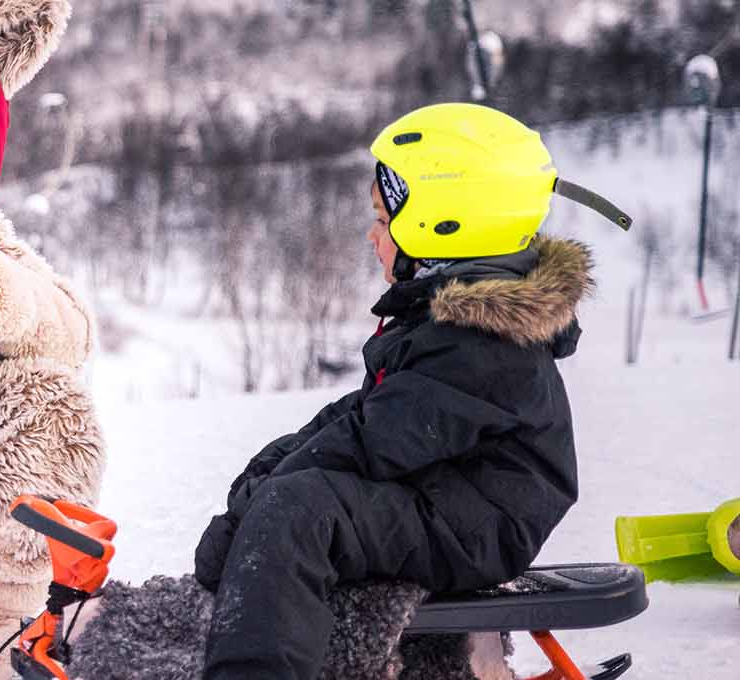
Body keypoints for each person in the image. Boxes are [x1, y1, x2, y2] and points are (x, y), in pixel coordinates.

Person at [192, 103, 630, 679]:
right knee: (290, 494)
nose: (372, 235)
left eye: (383, 218)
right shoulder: (454, 321)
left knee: (300, 511)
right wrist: (273, 464)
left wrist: (266, 498)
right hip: (450, 500)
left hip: (475, 528)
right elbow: (361, 416)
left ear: (442, 224)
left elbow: (377, 442)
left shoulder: (479, 340)